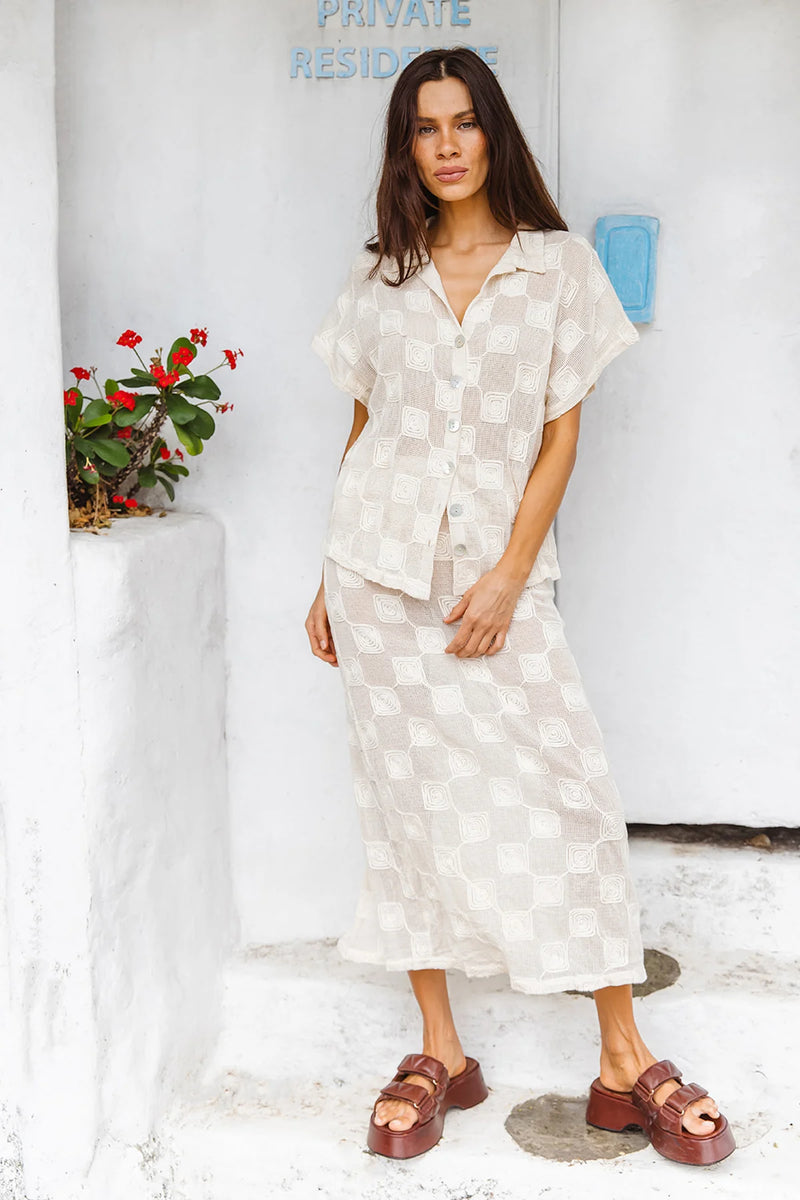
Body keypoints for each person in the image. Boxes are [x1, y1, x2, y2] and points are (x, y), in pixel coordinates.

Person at [305, 47, 734, 1168]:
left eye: (463, 123)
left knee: (566, 790)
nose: (445, 146)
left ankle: (619, 1055)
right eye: (423, 129)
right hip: (376, 575)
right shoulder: (378, 280)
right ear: (405, 148)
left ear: (492, 132)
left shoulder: (555, 269)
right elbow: (364, 431)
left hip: (496, 577)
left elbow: (559, 436)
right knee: (406, 805)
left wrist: (504, 574)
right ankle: (439, 1048)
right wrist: (325, 576)